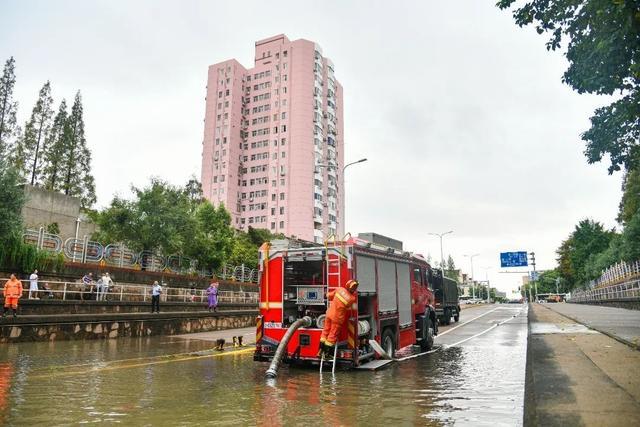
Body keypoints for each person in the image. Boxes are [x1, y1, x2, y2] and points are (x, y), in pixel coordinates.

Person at [318, 279, 359, 358]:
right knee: (332, 336)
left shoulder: (339, 289)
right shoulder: (352, 298)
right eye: (354, 288)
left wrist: (325, 294)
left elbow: (329, 296)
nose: (354, 289)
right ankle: (327, 354)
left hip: (328, 315)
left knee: (325, 332)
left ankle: (320, 351)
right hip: (337, 318)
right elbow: (349, 307)